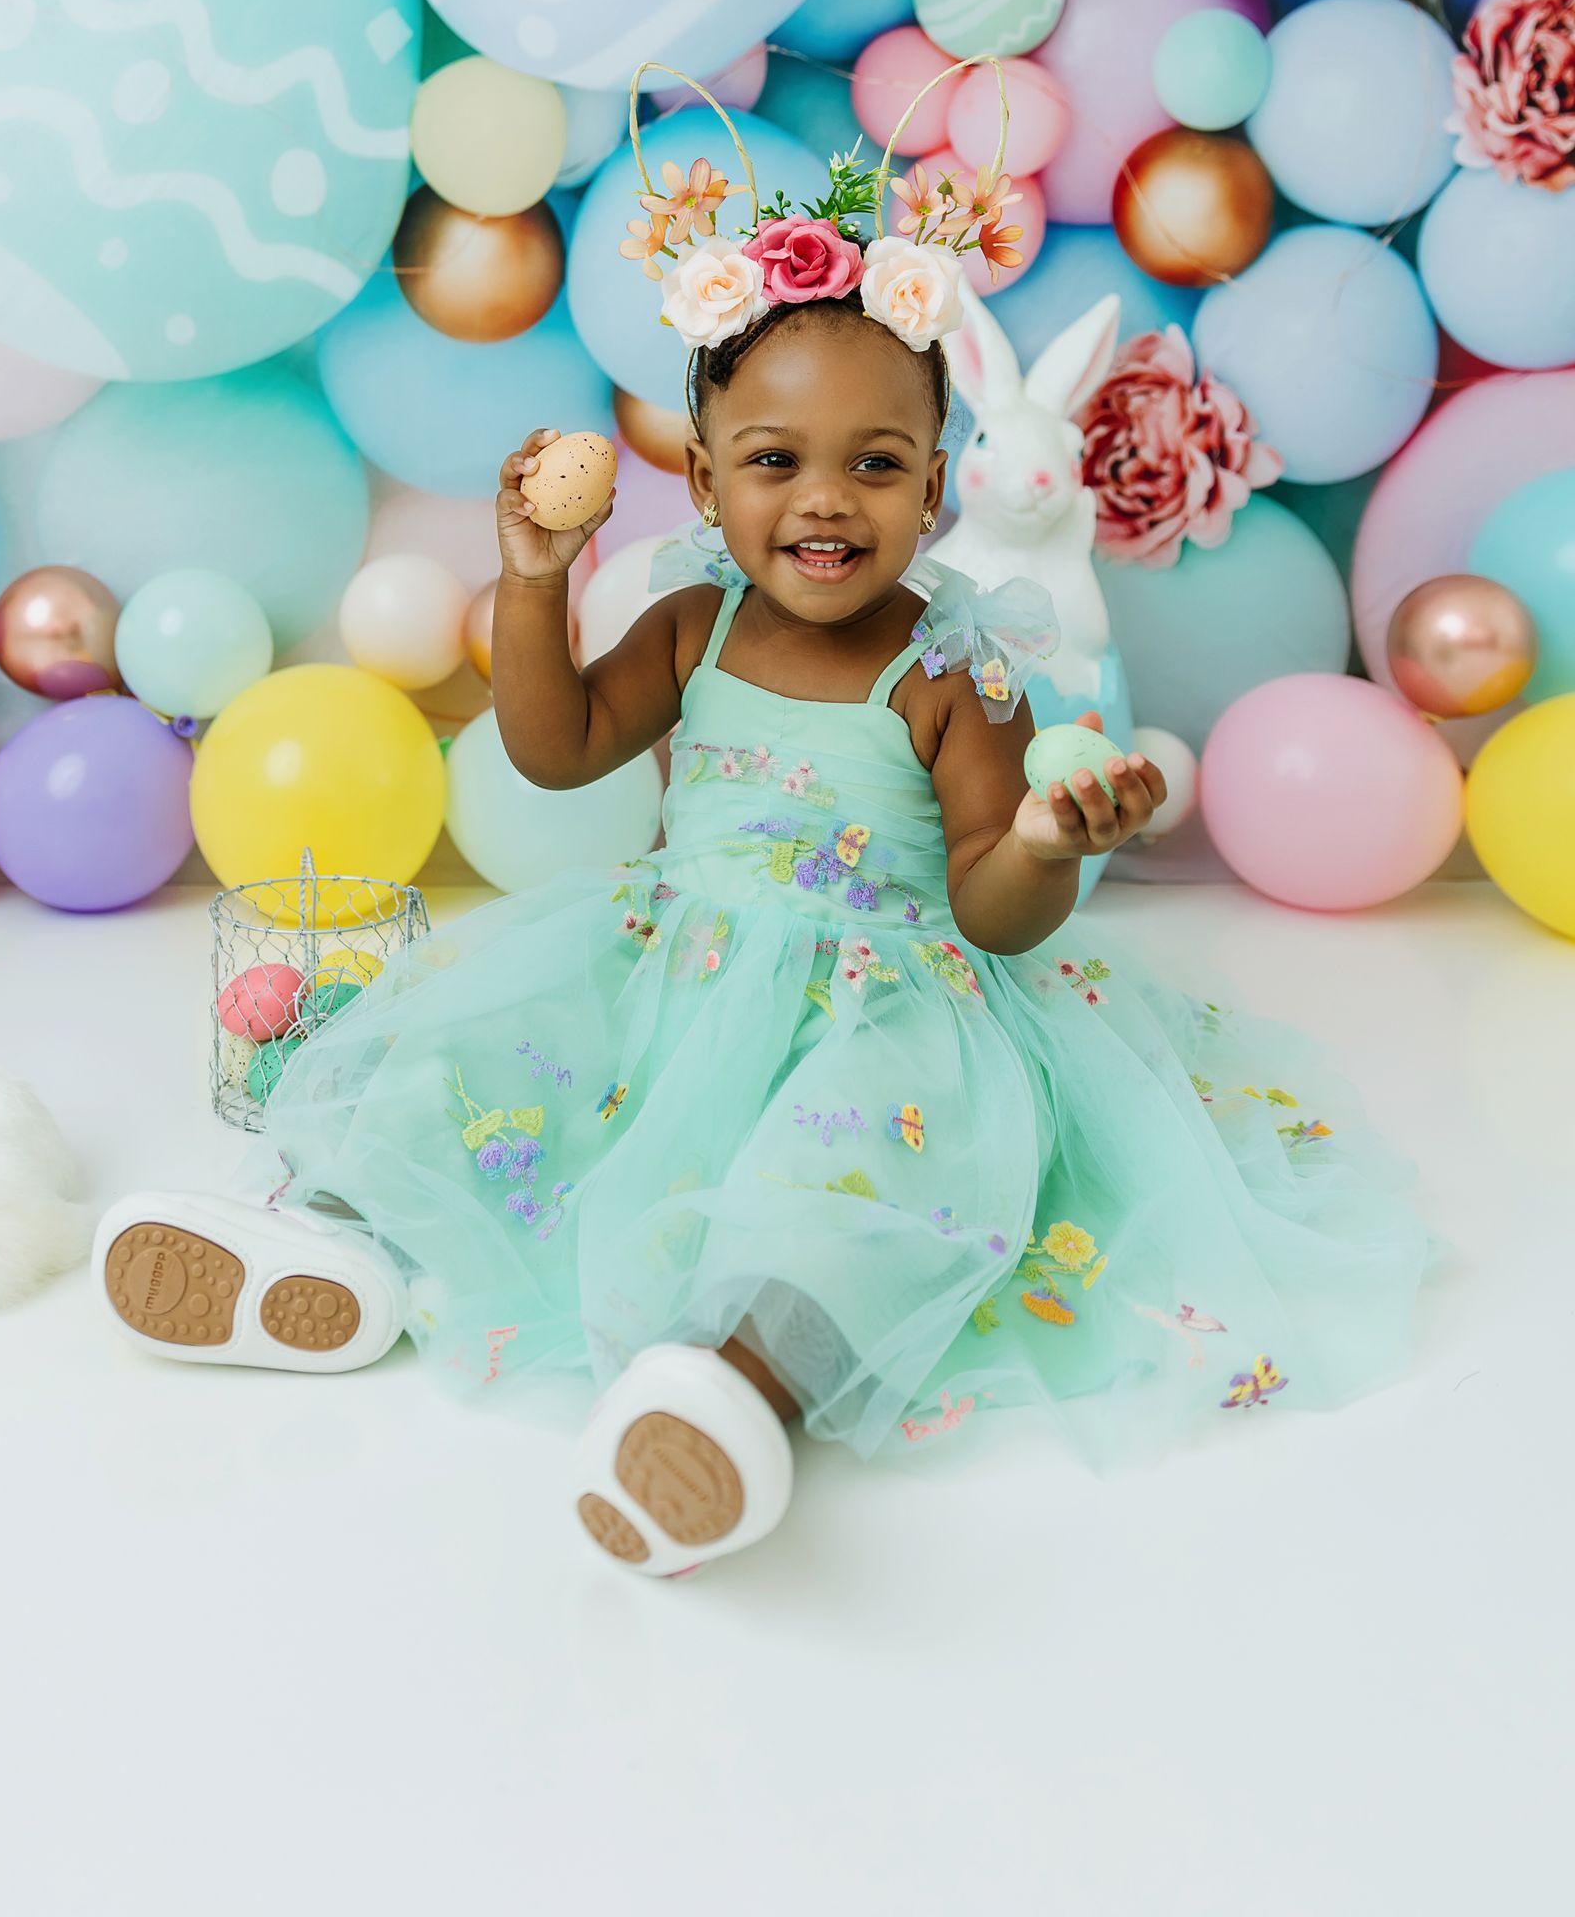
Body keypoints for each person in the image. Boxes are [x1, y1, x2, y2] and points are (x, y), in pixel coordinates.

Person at [92, 116, 1431, 1579]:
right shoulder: (691, 622)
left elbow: (991, 910)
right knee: (487, 1060)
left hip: (888, 1005)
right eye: (774, 459)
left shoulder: (957, 667)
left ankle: (733, 1392)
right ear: (708, 477)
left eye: (875, 464)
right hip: (669, 963)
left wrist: (1045, 836)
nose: (823, 500)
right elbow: (554, 750)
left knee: (847, 1181)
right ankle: (331, 1248)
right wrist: (536, 582)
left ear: (935, 488)